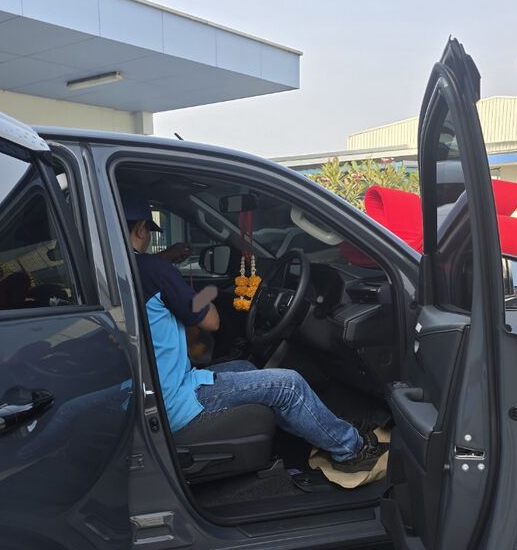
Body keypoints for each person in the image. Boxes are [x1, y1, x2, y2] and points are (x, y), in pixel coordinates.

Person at [124, 194, 385, 471]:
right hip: (172, 400)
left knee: (245, 366)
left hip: (152, 390)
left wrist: (167, 261)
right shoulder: (156, 270)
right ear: (141, 229)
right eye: (148, 231)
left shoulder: (125, 269)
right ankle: (352, 449)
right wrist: (202, 293)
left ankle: (315, 430)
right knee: (289, 384)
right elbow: (212, 321)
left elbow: (145, 271)